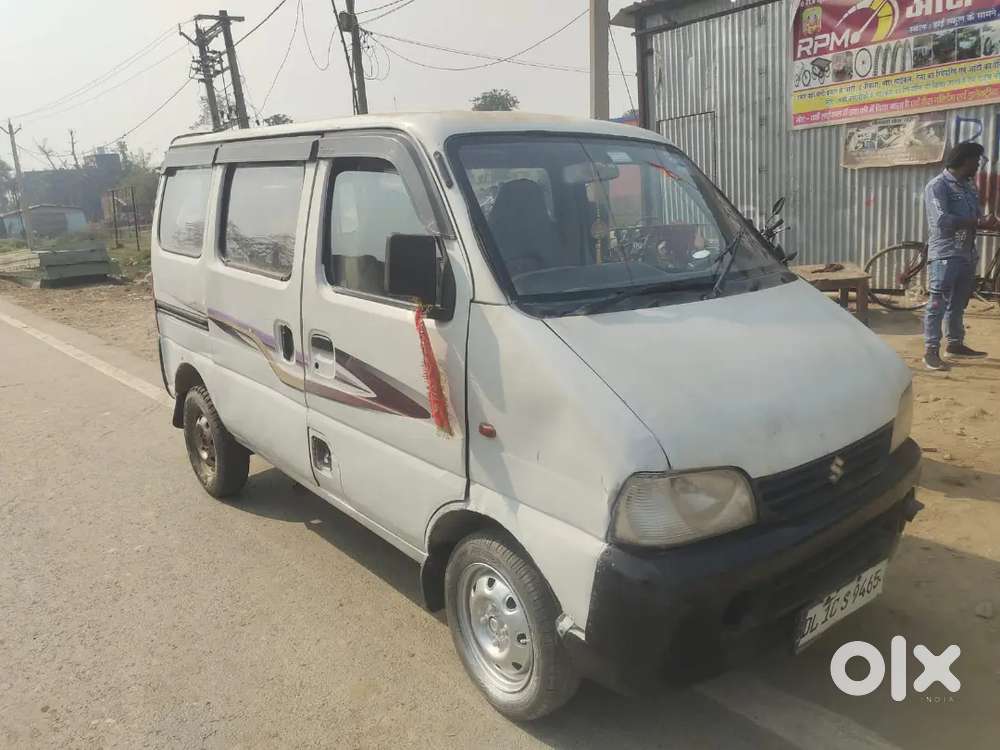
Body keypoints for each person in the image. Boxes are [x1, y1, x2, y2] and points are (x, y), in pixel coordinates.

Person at [922, 142, 999, 370]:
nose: (978, 165)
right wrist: (977, 221)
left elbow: (976, 218)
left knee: (958, 303)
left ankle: (955, 344)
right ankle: (931, 352)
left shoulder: (968, 187)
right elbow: (941, 221)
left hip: (966, 254)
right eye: (976, 160)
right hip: (946, 255)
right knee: (937, 303)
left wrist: (989, 222)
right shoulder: (937, 186)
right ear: (965, 160)